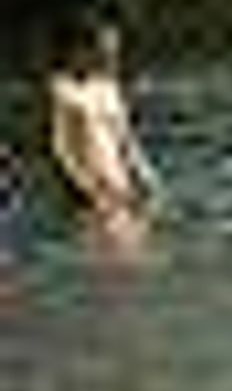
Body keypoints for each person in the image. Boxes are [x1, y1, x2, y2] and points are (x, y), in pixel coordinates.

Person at [43, 23, 158, 238]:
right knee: (103, 256)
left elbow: (126, 138)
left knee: (133, 251)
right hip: (92, 187)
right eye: (104, 48)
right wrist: (82, 186)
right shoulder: (64, 90)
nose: (111, 55)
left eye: (114, 49)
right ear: (85, 49)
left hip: (121, 181)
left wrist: (144, 172)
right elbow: (60, 145)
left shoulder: (110, 88)